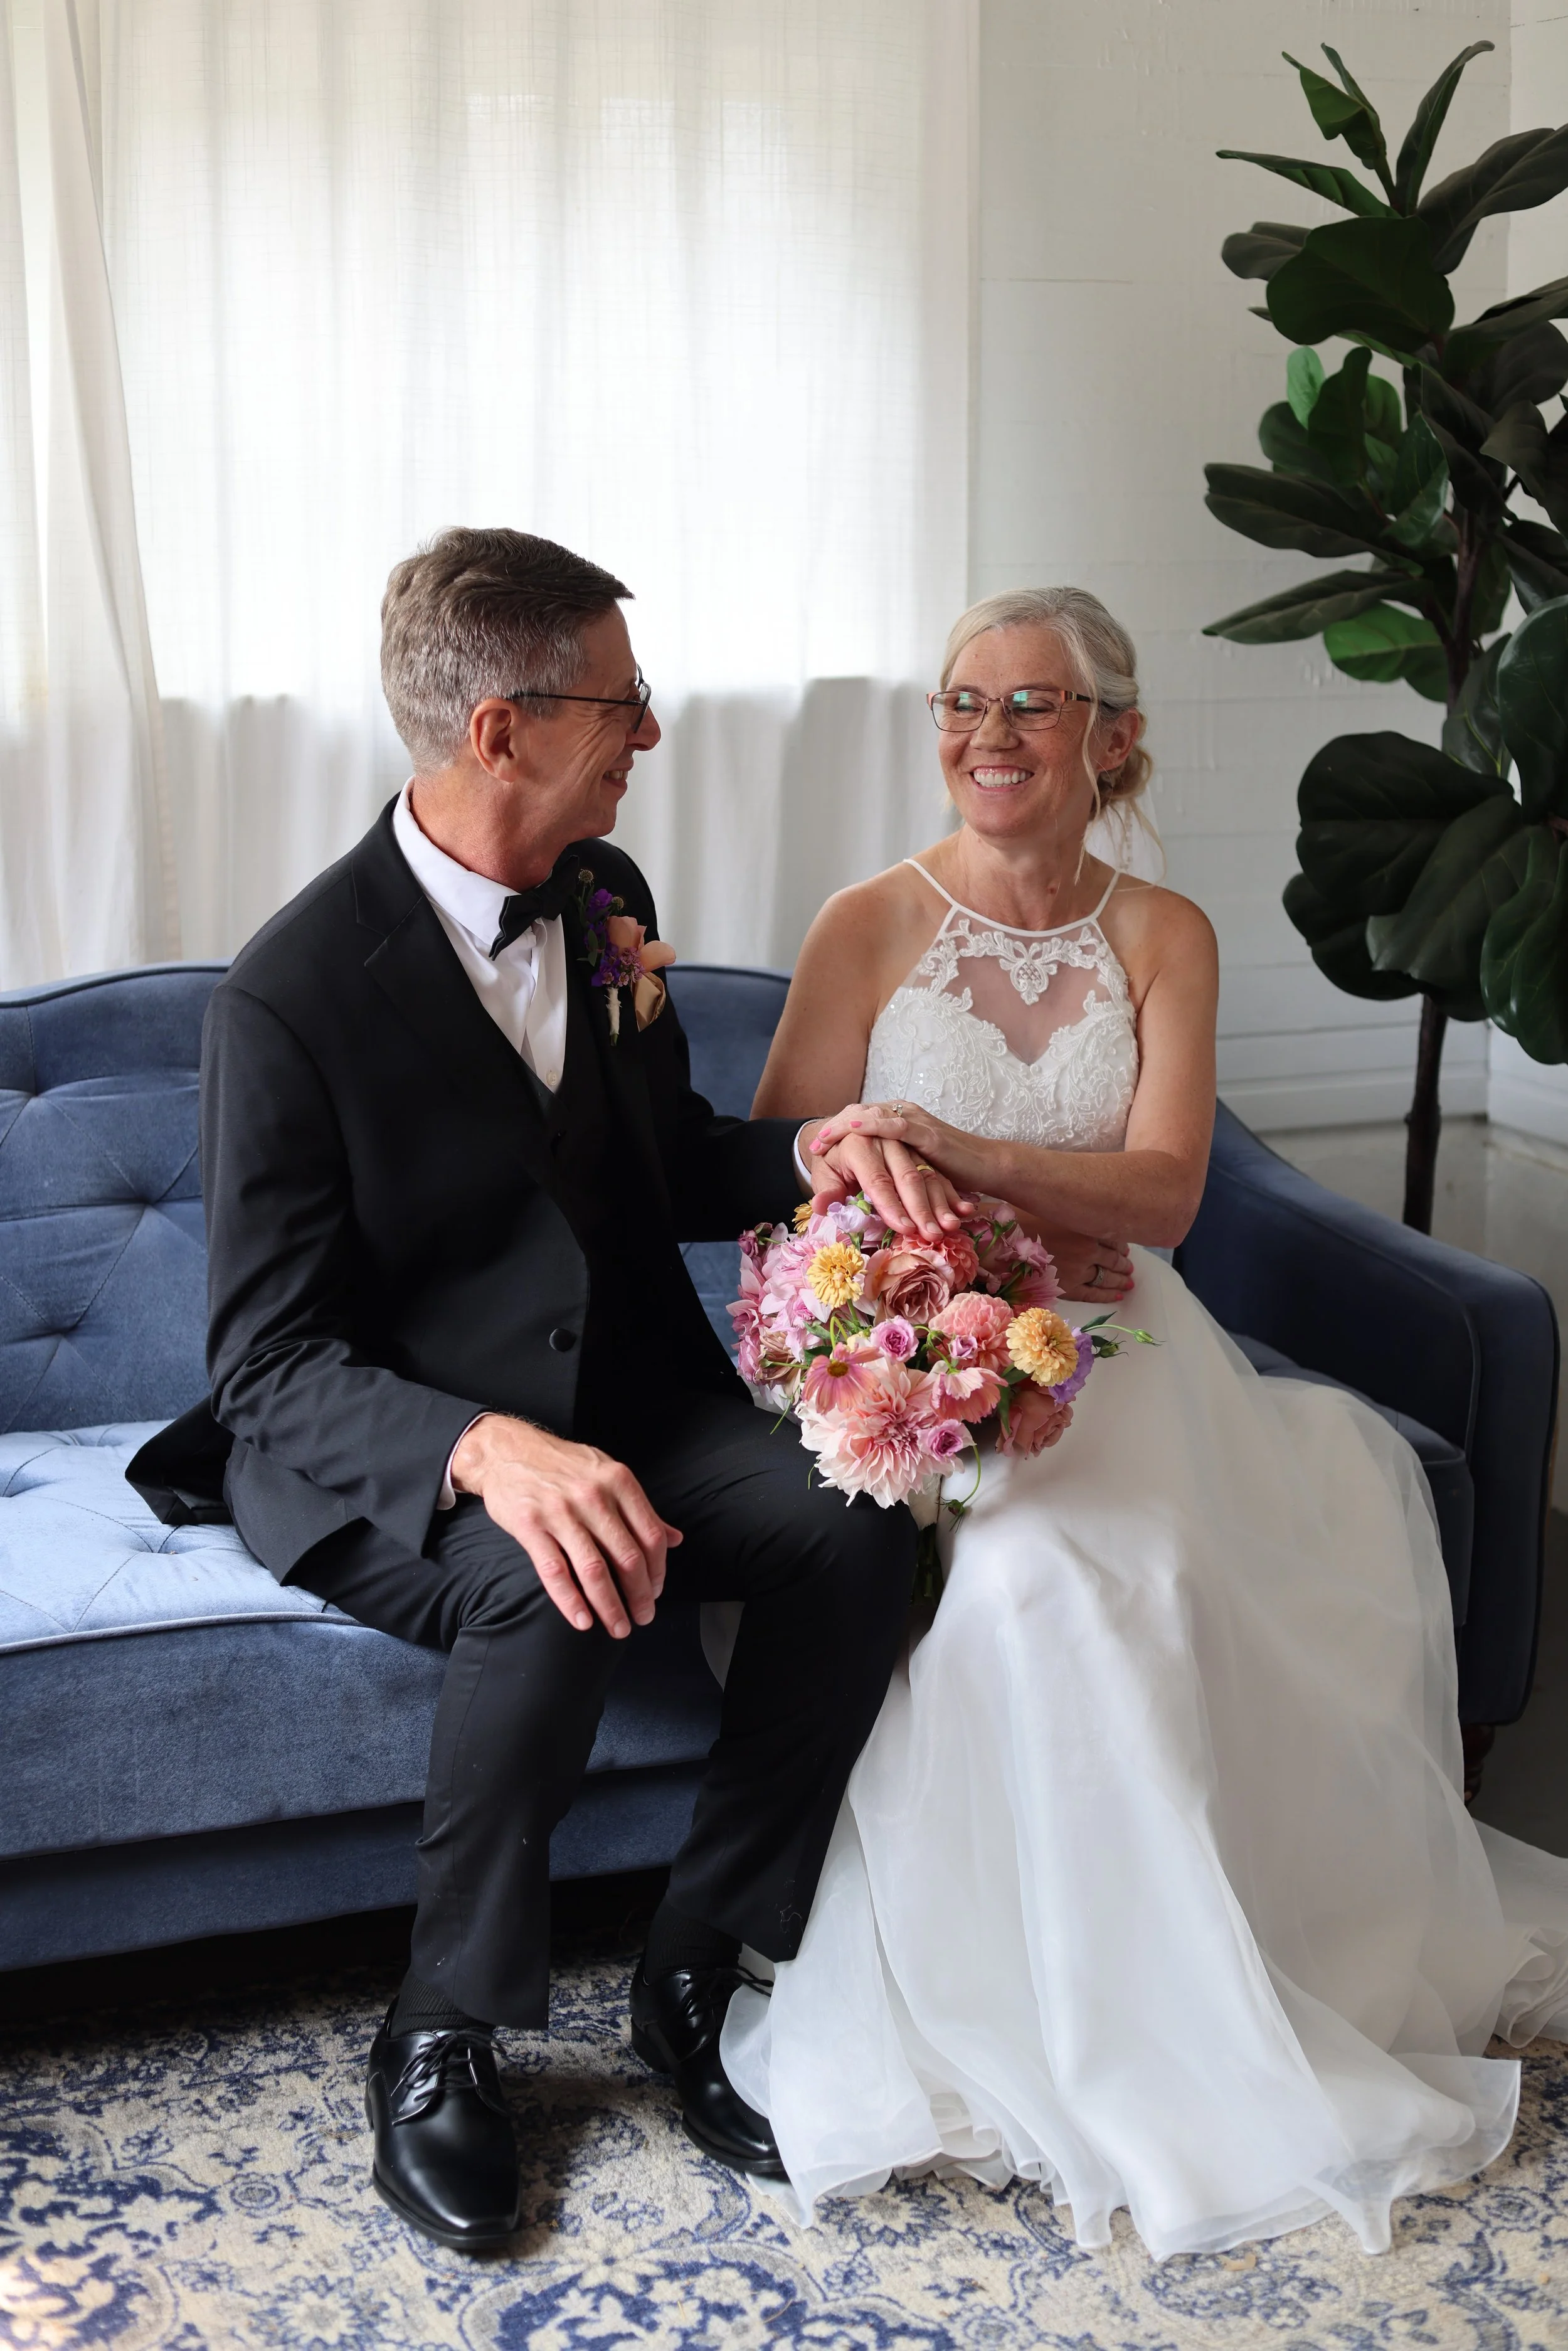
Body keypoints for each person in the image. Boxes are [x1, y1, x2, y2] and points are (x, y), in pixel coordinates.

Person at [127, 528, 948, 2255]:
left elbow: (662, 1163)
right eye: (621, 703)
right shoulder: (285, 996)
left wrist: (815, 1149)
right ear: (500, 727)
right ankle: (441, 2029)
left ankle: (695, 1955)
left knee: (858, 1511)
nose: (647, 732)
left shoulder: (602, 891)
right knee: (554, 1574)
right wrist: (488, 1451)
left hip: (632, 1395)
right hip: (395, 1441)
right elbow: (265, 1359)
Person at [726, 583, 1568, 2260]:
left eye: (1029, 704)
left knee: (1138, 1578)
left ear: (1110, 733)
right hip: (926, 1344)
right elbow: (780, 1170)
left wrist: (961, 1156)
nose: (985, 735)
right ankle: (1034, 2002)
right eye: (959, 701)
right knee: (1036, 1590)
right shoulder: (866, 922)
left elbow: (1166, 1195)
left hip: (1127, 1347)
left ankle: (1195, 1997)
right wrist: (932, 1252)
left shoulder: (1160, 932)